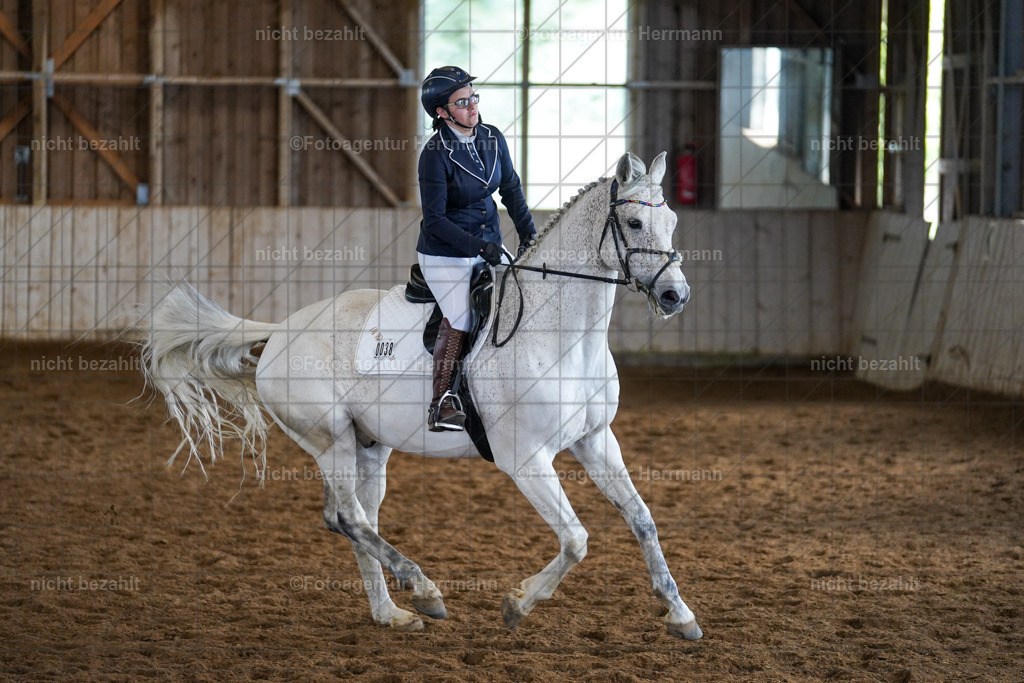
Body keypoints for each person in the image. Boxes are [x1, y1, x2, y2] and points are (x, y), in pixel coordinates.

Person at [417, 65, 536, 432]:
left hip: (489, 247)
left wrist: (532, 238)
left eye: (474, 98)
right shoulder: (434, 154)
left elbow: (511, 190)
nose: (472, 106)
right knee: (463, 316)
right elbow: (435, 220)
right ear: (442, 111)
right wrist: (480, 247)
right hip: (445, 253)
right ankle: (442, 402)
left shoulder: (492, 137)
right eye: (462, 101)